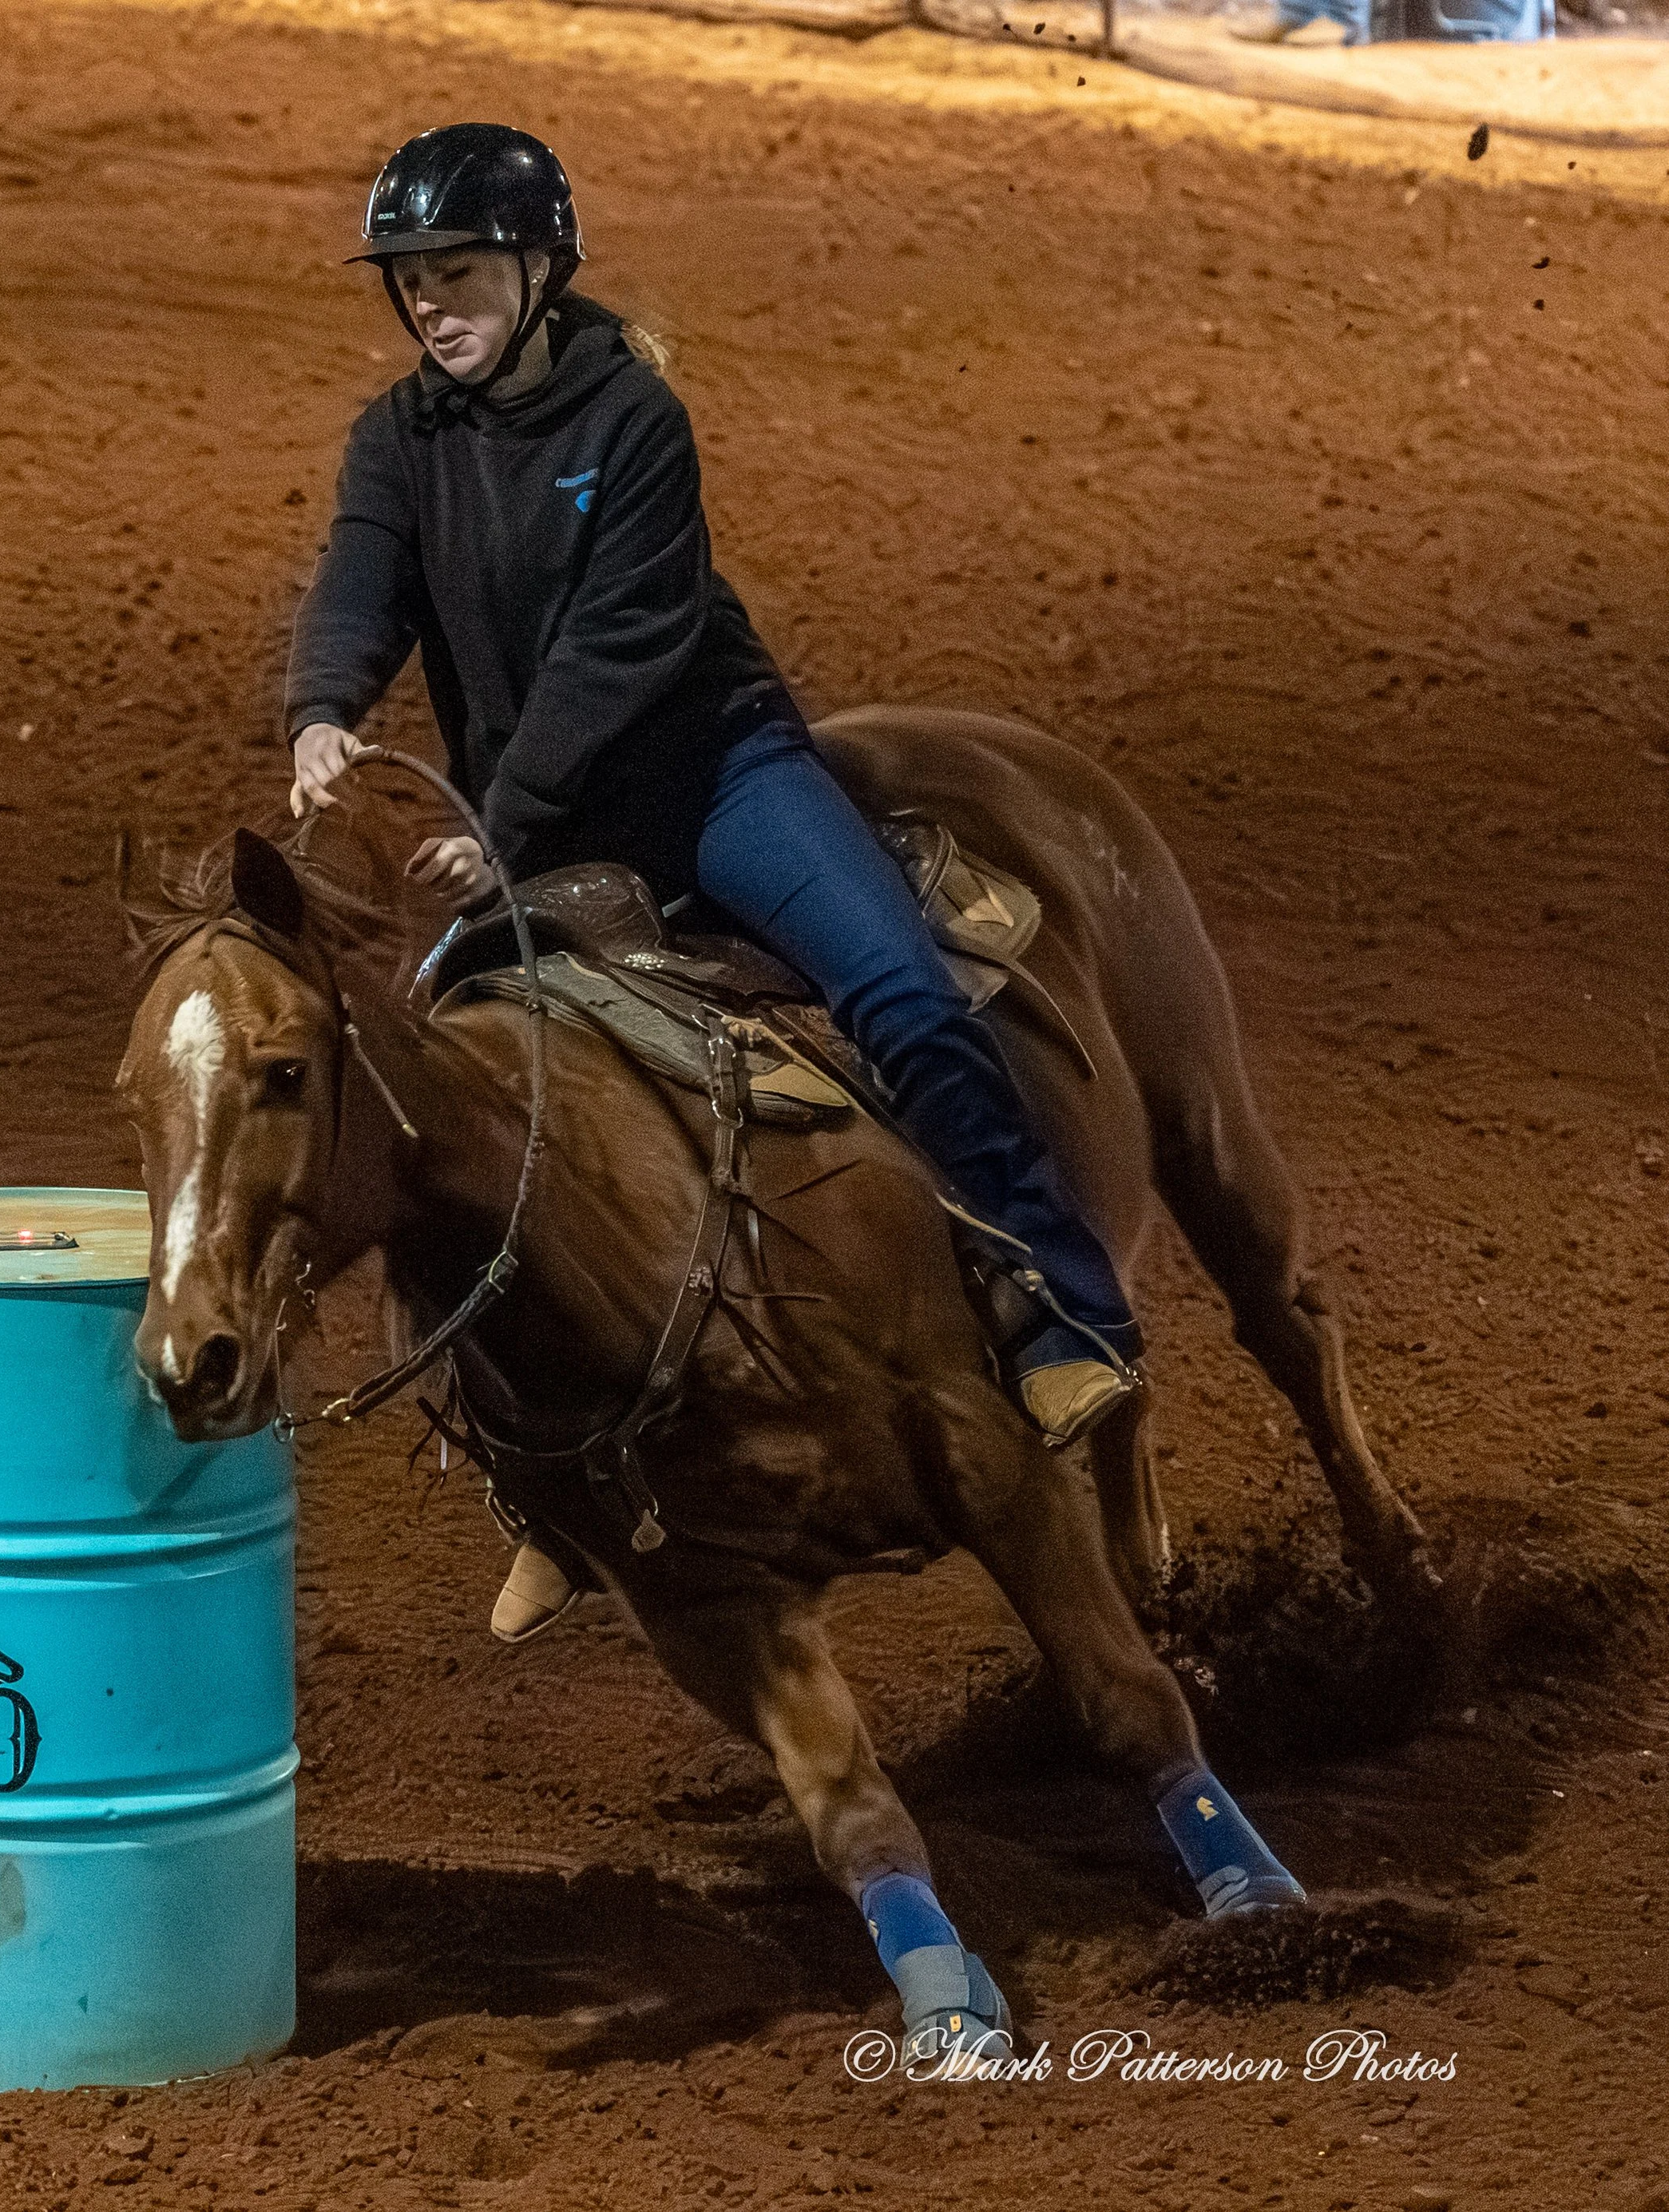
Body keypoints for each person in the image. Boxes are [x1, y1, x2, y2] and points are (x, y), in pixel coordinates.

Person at [285, 125, 1144, 1647]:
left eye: (459, 272)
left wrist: (502, 823)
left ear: (540, 273)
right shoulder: (398, 439)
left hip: (711, 783)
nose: (429, 303)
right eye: (411, 281)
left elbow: (623, 649)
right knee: (424, 1117)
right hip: (542, 816)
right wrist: (323, 710)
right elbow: (361, 582)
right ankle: (537, 1479)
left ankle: (1064, 1306)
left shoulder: (636, 418)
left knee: (902, 997)